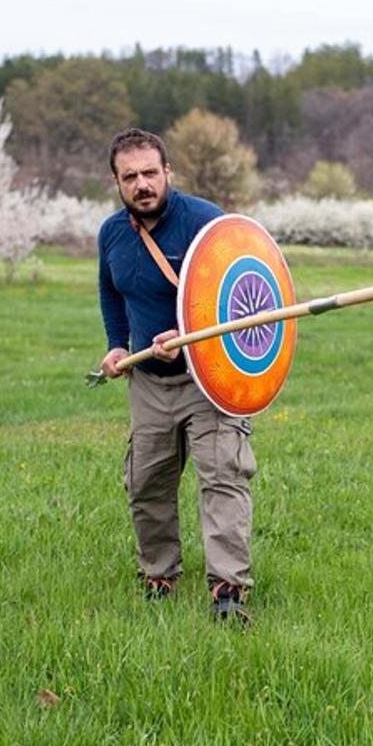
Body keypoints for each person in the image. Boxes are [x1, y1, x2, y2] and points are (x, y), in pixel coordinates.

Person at [96, 127, 255, 624]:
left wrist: (185, 331)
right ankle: (158, 574)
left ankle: (228, 589)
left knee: (222, 477)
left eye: (149, 172)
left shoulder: (207, 224)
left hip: (207, 377)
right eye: (130, 177)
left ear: (168, 172)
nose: (141, 184)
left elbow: (241, 298)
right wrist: (118, 344)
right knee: (146, 482)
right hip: (149, 383)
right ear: (118, 183)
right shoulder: (112, 233)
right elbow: (111, 292)